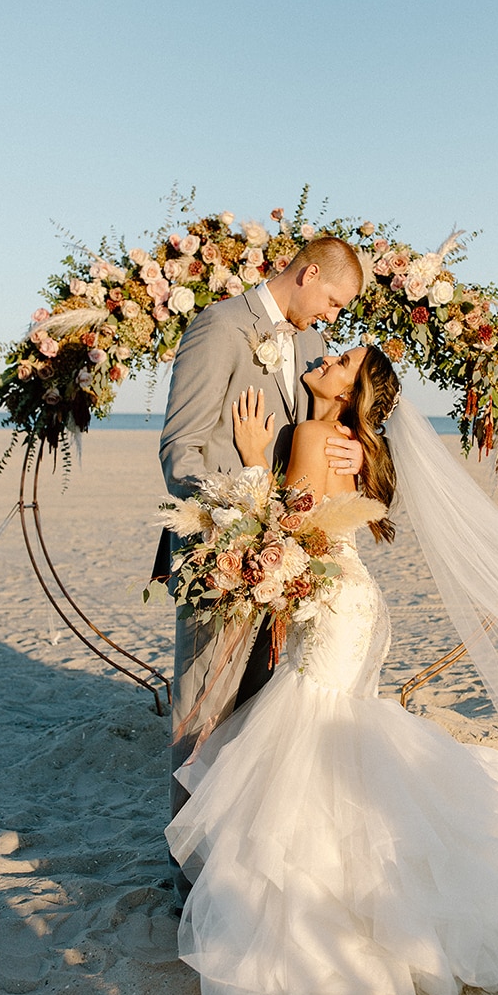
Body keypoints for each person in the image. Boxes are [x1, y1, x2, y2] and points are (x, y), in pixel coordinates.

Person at [164, 344, 498, 995]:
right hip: (352, 599)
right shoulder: (346, 441)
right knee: (339, 731)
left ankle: (333, 900)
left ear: (349, 391)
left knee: (313, 731)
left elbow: (288, 527)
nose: (326, 357)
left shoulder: (304, 434)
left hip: (333, 608)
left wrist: (248, 456)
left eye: (341, 361)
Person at [158, 238, 365, 896]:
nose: (329, 319)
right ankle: (190, 878)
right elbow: (181, 448)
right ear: (307, 275)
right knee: (204, 709)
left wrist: (354, 455)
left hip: (285, 561)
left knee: (256, 717)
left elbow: (327, 428)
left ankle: (240, 870)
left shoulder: (306, 352)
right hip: (225, 554)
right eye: (331, 301)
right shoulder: (218, 327)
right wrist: (236, 518)